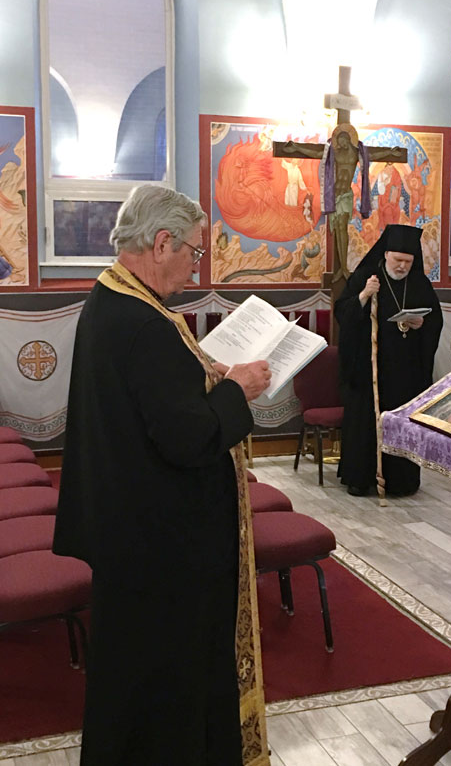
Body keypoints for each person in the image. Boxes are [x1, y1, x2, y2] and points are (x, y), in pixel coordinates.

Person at [52, 184, 272, 766]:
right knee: (166, 690)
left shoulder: (112, 298)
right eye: (194, 252)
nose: (196, 264)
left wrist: (206, 375)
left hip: (131, 533)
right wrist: (236, 390)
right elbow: (188, 437)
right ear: (162, 241)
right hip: (163, 549)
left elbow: (154, 402)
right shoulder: (145, 323)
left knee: (127, 683)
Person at [335, 224, 442, 496]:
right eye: (398, 260)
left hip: (406, 372)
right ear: (386, 256)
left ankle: (401, 481)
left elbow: (435, 321)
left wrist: (422, 325)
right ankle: (360, 478)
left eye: (408, 261)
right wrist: (363, 296)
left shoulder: (419, 283)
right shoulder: (366, 277)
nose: (403, 266)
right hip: (368, 368)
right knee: (365, 424)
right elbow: (342, 314)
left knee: (401, 423)